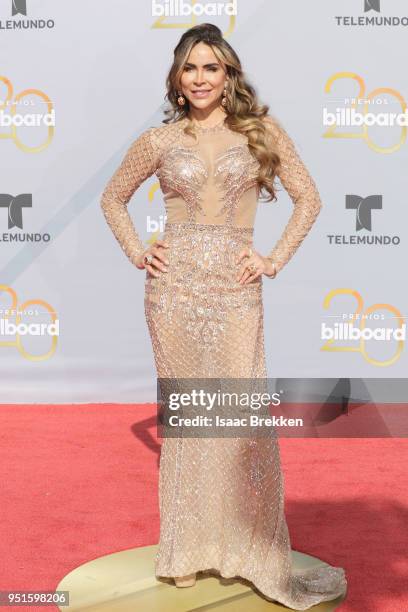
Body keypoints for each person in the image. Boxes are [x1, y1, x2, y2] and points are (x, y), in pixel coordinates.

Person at [100, 22, 347, 610]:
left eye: (212, 67)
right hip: (174, 292)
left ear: (229, 74)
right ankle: (186, 547)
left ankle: (247, 544)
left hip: (236, 291)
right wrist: (139, 251)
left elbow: (308, 197)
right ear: (177, 80)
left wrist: (273, 259)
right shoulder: (160, 141)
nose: (201, 78)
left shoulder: (259, 132)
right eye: (191, 68)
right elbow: (113, 196)